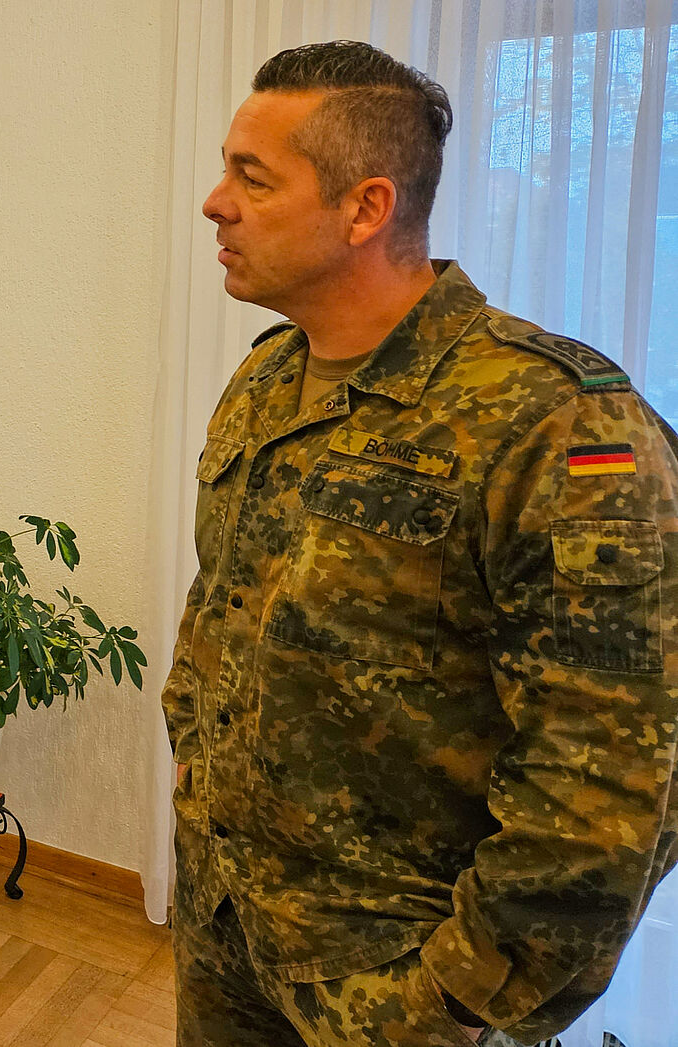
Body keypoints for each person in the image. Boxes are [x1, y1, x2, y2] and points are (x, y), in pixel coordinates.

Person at [164, 40, 678, 1047]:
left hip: (397, 977)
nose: (214, 202)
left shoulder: (557, 424)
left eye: (251, 177)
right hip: (231, 929)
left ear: (365, 208)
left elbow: (614, 785)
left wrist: (452, 1003)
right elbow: (227, 614)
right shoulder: (267, 380)